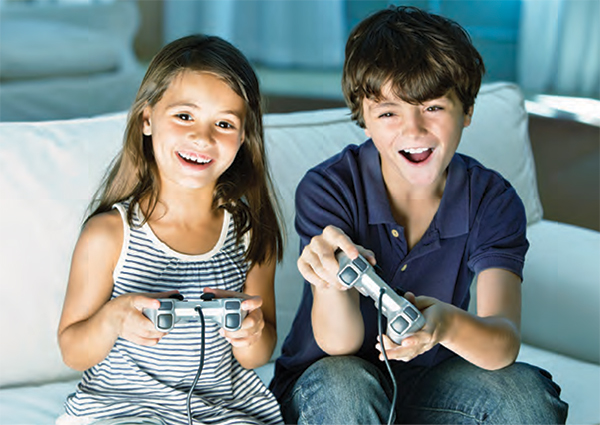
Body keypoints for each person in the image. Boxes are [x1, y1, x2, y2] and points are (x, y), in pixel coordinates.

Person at [270, 6, 568, 425]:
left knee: (524, 397)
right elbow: (339, 343)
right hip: (332, 381)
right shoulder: (329, 188)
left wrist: (445, 325)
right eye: (389, 112)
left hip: (431, 383)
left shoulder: (492, 199)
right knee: (348, 388)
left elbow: (502, 344)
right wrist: (329, 283)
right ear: (364, 119)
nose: (413, 130)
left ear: (467, 111)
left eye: (432, 108)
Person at [57, 34, 284, 425]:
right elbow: (72, 350)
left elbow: (259, 352)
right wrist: (113, 318)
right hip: (122, 409)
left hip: (220, 412)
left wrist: (251, 333)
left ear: (244, 137)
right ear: (147, 119)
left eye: (224, 123)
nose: (203, 136)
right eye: (184, 116)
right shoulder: (109, 235)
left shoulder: (249, 234)